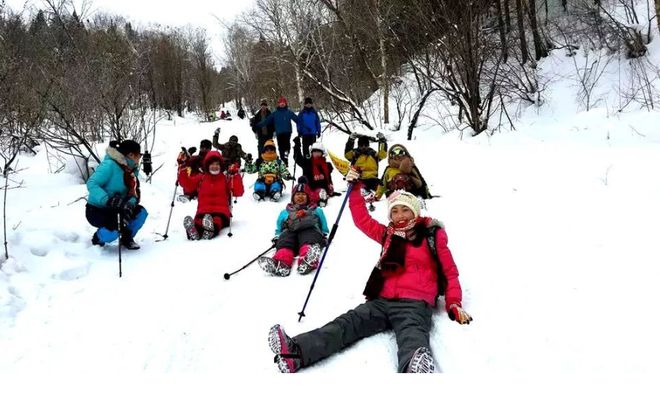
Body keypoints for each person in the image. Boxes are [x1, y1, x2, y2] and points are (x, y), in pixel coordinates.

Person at [266, 167, 472, 373]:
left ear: (415, 211)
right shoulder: (388, 234)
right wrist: (354, 189)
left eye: (405, 209)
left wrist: (454, 302)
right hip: (381, 300)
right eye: (395, 210)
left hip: (415, 303)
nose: (400, 215)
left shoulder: (431, 235)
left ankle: (414, 368)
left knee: (412, 334)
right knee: (347, 323)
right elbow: (362, 220)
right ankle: (296, 352)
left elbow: (450, 271)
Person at [258, 177, 329, 277]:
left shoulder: (316, 210)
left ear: (308, 196)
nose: (300, 197)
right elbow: (279, 227)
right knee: (285, 238)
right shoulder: (285, 212)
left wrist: (324, 234)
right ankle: (281, 263)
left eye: (303, 194)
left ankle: (308, 259)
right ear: (293, 197)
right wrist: (278, 236)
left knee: (309, 237)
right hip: (291, 232)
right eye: (297, 194)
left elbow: (324, 225)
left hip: (310, 231)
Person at [86, 140, 148, 250]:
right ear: (131, 155)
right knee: (114, 229)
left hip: (118, 208)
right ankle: (98, 238)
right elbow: (92, 183)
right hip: (97, 209)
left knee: (141, 213)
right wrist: (107, 200)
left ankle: (126, 238)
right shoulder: (110, 165)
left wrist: (129, 205)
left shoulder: (131, 170)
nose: (140, 158)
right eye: (139, 155)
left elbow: (133, 191)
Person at [179, 151, 244, 240]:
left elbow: (238, 192)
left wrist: (235, 175)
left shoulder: (226, 178)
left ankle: (210, 231)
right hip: (203, 211)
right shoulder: (201, 177)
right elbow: (187, 184)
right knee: (199, 221)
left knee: (217, 220)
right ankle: (194, 231)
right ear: (207, 165)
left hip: (221, 212)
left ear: (220, 166)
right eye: (212, 164)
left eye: (217, 164)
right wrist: (182, 167)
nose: (214, 166)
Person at [253, 96, 298, 166]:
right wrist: (258, 125)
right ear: (278, 104)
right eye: (281, 103)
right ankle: (283, 160)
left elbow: (297, 120)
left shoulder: (289, 112)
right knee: (280, 146)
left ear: (285, 104)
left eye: (283, 103)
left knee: (286, 144)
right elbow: (267, 121)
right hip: (279, 132)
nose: (282, 104)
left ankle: (286, 156)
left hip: (287, 131)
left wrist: (304, 126)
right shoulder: (275, 113)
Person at [292, 136, 334, 207]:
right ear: (311, 153)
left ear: (322, 153)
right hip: (308, 187)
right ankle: (301, 200)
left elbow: (328, 177)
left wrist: (329, 184)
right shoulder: (307, 163)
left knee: (320, 192)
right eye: (314, 151)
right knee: (302, 191)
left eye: (318, 152)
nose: (316, 153)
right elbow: (298, 158)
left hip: (320, 187)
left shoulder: (326, 165)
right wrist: (297, 145)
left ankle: (320, 199)